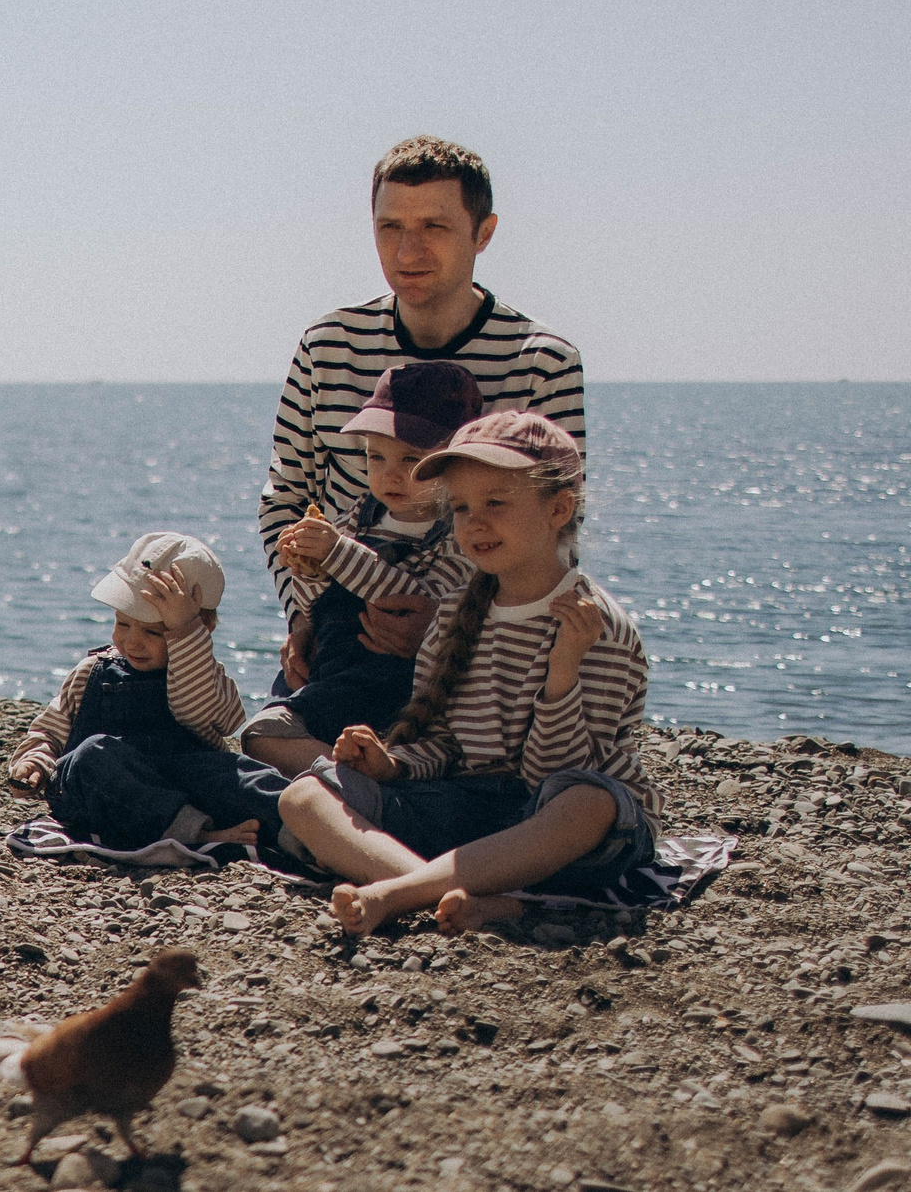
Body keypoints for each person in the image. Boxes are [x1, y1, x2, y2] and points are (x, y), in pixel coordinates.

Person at [272, 413, 656, 933]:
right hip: (473, 808)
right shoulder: (455, 611)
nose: (474, 522)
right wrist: (393, 765)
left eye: (496, 503)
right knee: (304, 796)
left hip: (550, 821)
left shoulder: (597, 625)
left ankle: (399, 891)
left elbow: (552, 775)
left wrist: (562, 670)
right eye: (460, 507)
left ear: (558, 509)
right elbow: (448, 745)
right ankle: (456, 897)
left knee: (588, 805)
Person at [259, 135, 584, 681]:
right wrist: (304, 618)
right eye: (391, 228)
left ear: (484, 233)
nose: (409, 252)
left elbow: (559, 532)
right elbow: (286, 500)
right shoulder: (327, 346)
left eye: (434, 227)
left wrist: (447, 629)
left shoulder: (542, 362)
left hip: (482, 662)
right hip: (336, 639)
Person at [237, 361, 483, 776]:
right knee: (263, 734)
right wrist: (308, 569)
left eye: (411, 459)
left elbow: (415, 601)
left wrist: (335, 554)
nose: (390, 474)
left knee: (263, 736)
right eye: (376, 457)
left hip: (389, 681)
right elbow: (318, 604)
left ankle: (343, 779)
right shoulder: (360, 516)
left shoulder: (457, 533)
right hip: (333, 667)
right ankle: (342, 777)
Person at [5, 534, 288, 851]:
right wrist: (35, 761)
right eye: (122, 623)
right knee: (91, 755)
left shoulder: (204, 674)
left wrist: (185, 635)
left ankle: (302, 829)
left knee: (243, 775)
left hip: (177, 784)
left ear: (201, 630)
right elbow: (51, 729)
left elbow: (207, 714)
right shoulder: (93, 671)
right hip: (102, 792)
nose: (132, 642)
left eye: (153, 631)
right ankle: (198, 835)